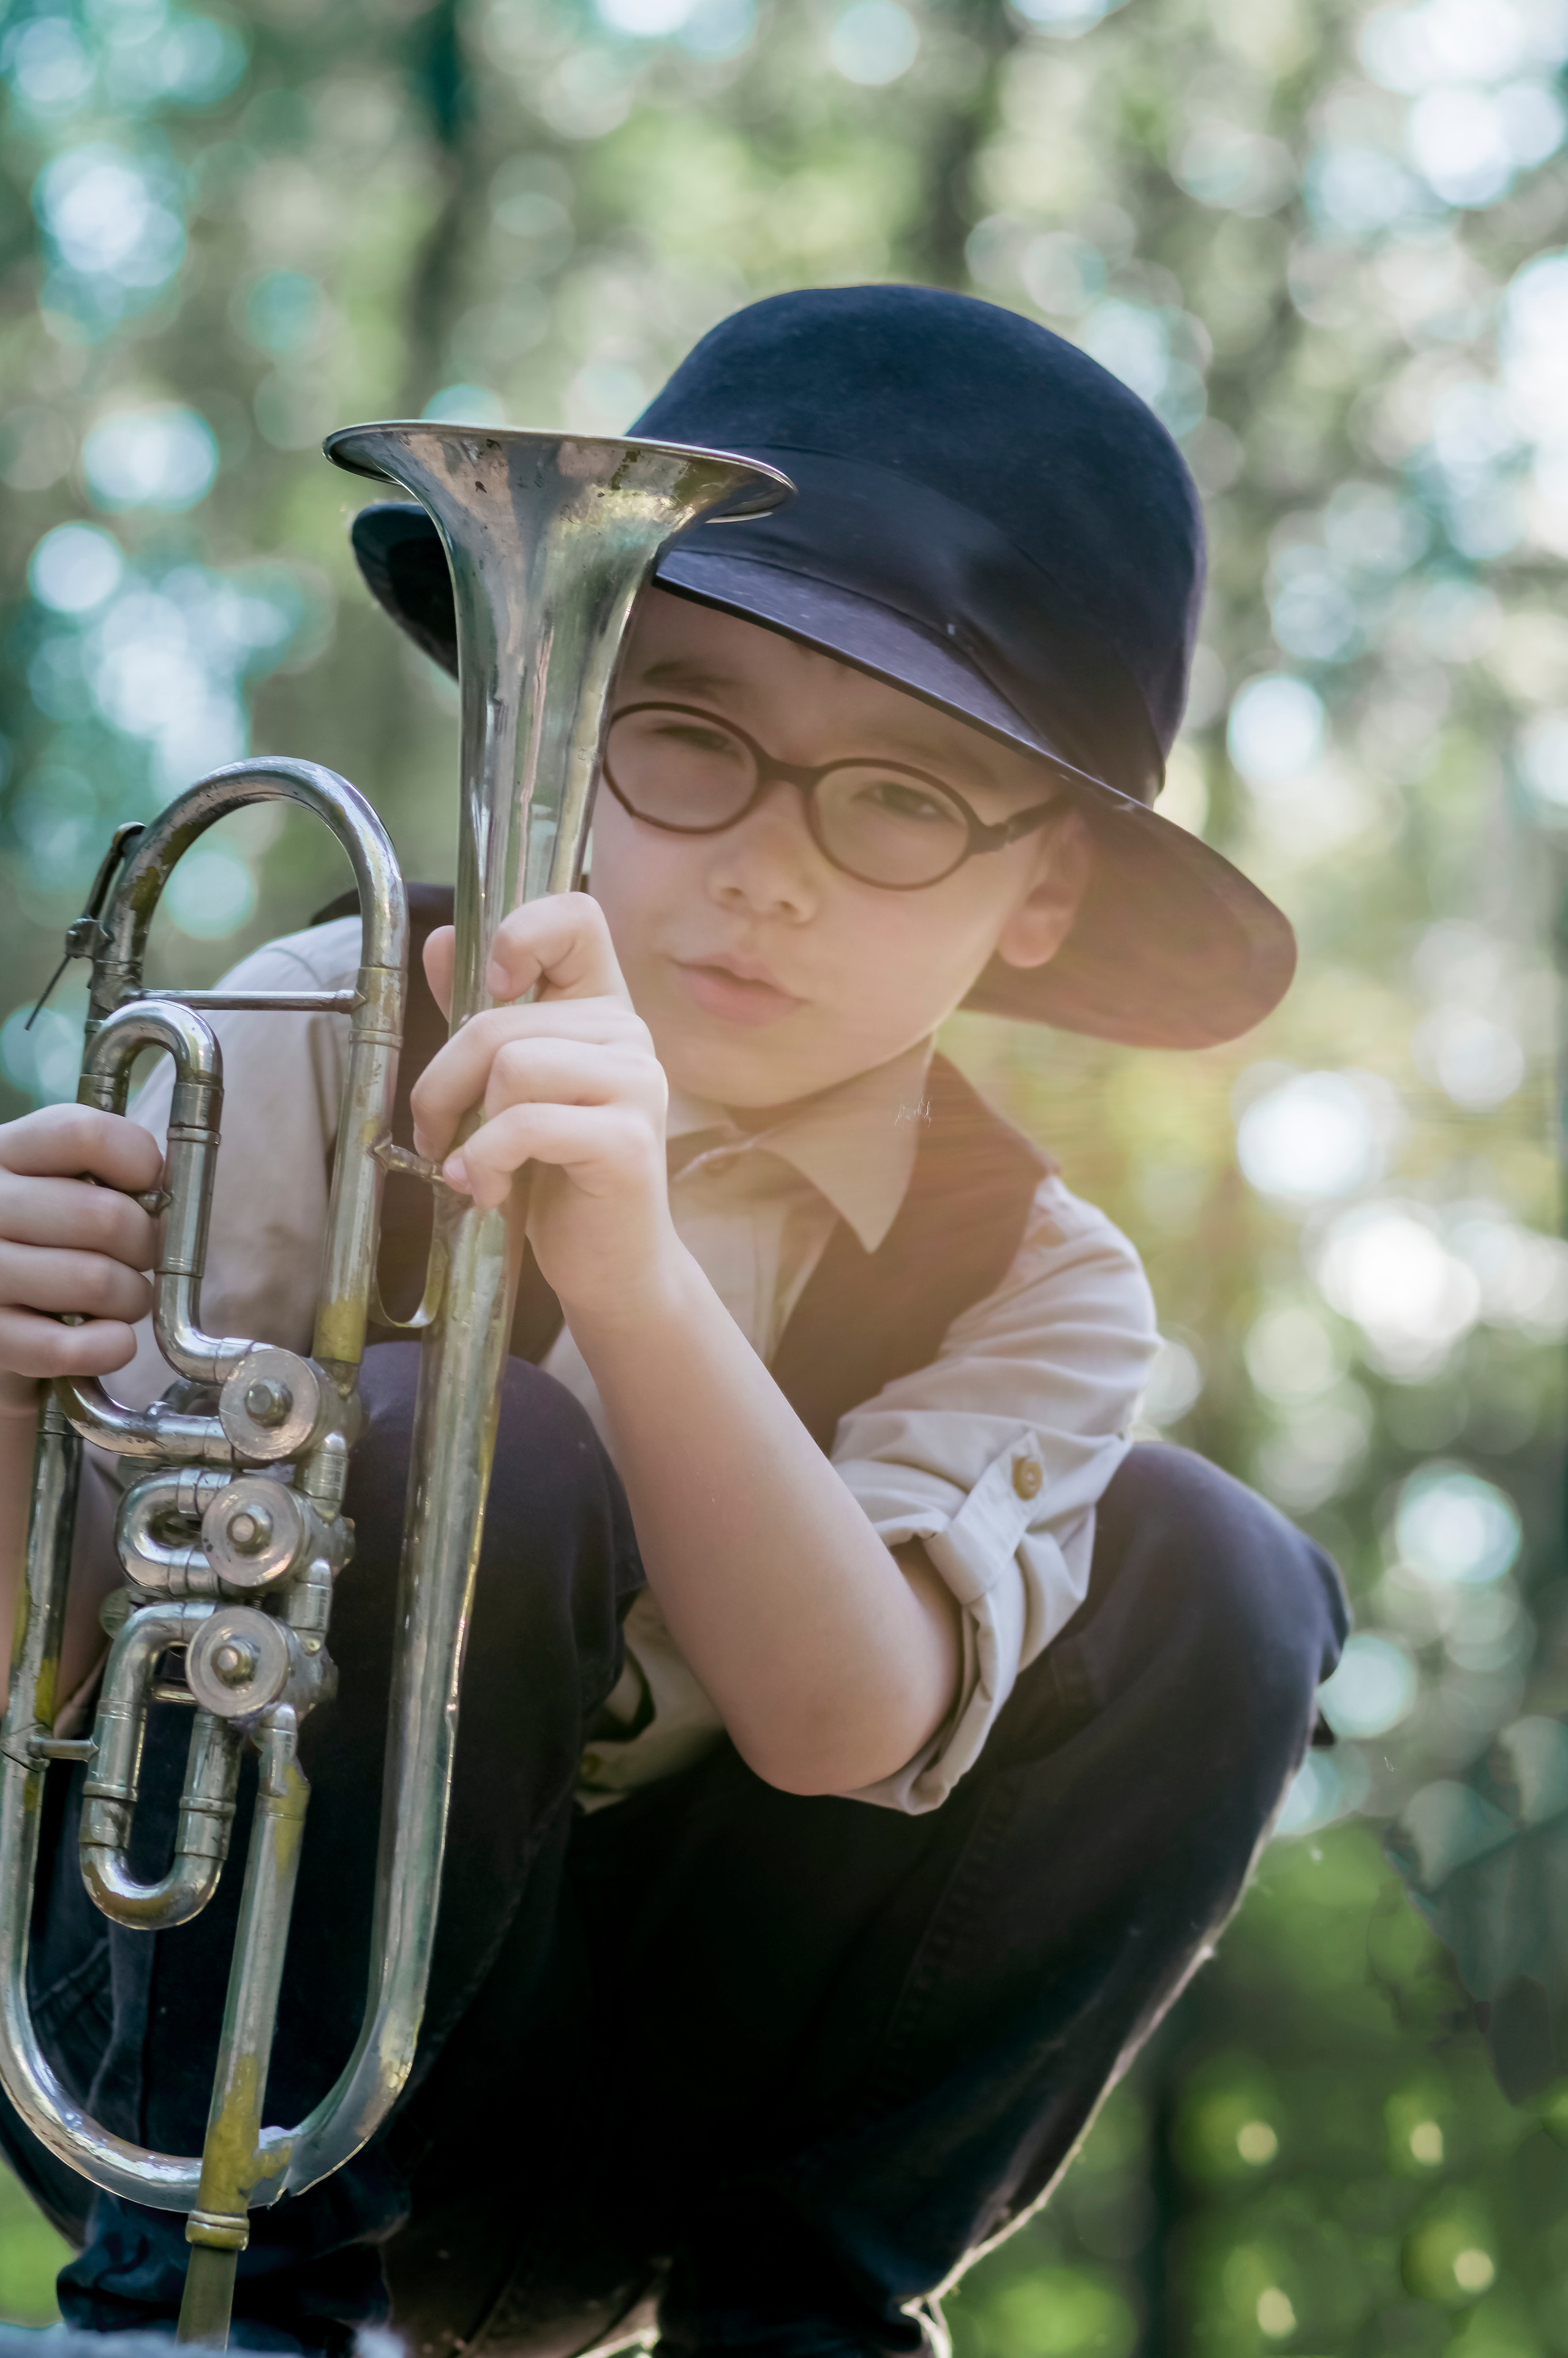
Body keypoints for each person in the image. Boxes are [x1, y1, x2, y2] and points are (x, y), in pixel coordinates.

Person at [0, 287, 1348, 2357]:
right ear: (569, 720)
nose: (768, 874)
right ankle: (219, 2313)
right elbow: (77, 1650)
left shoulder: (1041, 1279)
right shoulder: (303, 1036)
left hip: (664, 2124)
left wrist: (618, 1276)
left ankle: (803, 2320)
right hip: (211, 2038)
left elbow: (847, 1723)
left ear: (1045, 896)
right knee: (473, 1449)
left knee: (1224, 1573)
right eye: (691, 733)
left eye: (903, 799)